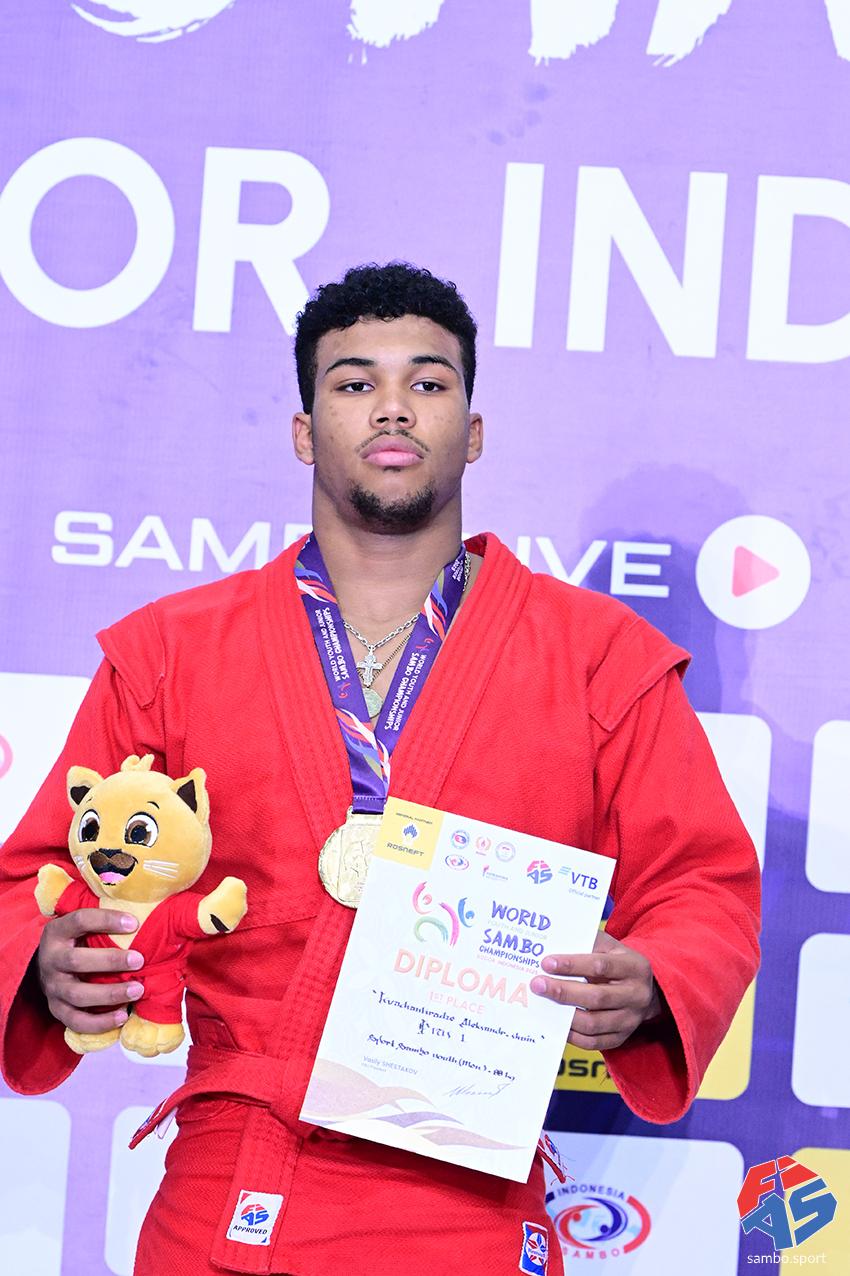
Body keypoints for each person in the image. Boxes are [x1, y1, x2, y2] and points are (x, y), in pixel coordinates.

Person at [0, 263, 760, 1275]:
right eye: (355, 382)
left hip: (468, 1191)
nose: (392, 406)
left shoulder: (598, 658)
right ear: (303, 431)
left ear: (473, 431)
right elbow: (35, 877)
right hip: (234, 1177)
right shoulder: (171, 652)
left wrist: (655, 980)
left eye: (427, 381)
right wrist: (49, 960)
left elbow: (703, 884)